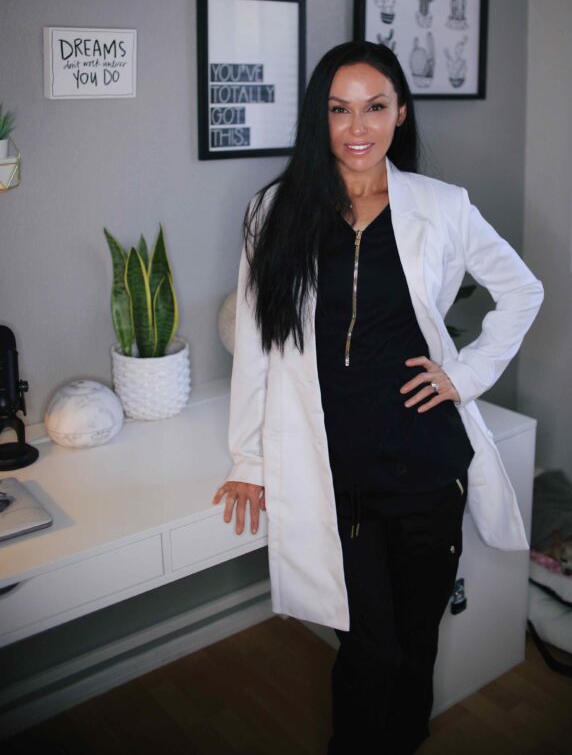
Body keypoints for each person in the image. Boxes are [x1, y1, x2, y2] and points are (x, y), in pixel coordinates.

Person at [213, 41, 543, 754]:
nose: (355, 126)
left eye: (373, 106)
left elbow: (522, 289)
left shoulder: (441, 207)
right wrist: (249, 458)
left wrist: (467, 373)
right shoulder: (272, 214)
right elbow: (259, 348)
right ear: (318, 118)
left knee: (416, 645)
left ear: (400, 113)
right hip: (337, 472)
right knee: (370, 652)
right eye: (338, 109)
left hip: (427, 466)